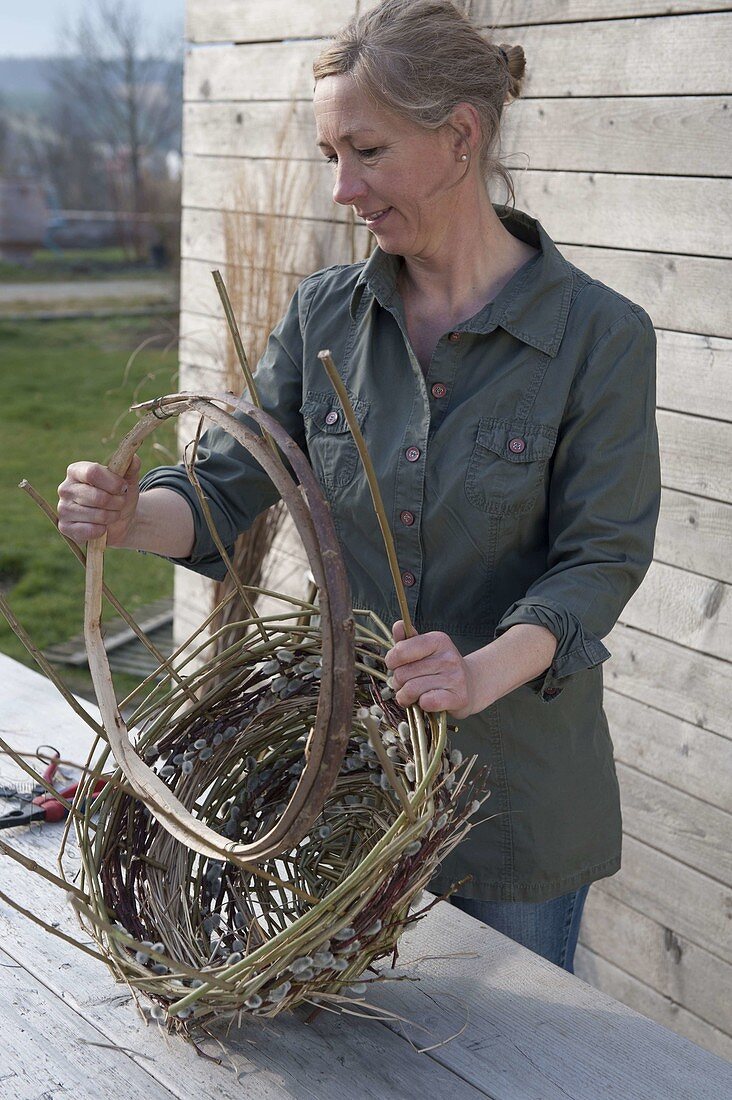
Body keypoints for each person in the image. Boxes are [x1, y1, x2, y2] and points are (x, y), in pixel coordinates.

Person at [57, 0, 661, 974]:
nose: (343, 189)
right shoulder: (325, 313)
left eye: (366, 151)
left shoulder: (600, 337)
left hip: (515, 815)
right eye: (331, 154)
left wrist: (476, 671)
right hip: (352, 800)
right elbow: (223, 490)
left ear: (460, 136)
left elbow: (601, 561)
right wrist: (129, 517)